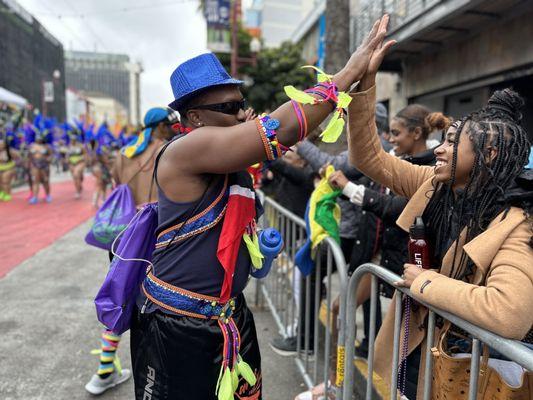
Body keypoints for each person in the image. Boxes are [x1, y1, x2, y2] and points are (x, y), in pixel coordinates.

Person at [129, 18, 389, 400]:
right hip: (178, 326)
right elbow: (279, 131)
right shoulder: (186, 149)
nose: (240, 114)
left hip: (230, 319)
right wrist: (347, 73)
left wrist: (256, 254)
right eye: (229, 105)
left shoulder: (226, 162)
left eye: (241, 104)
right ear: (195, 117)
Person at [347, 18, 533, 399]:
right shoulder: (434, 184)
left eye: (452, 142)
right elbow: (369, 157)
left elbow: (509, 313)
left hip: (470, 367)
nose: (439, 150)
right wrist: (364, 83)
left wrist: (424, 282)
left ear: (490, 154)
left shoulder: (517, 222)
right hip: (419, 343)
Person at [84, 107, 180, 396]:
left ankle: (104, 370)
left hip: (123, 239)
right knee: (158, 307)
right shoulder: (170, 150)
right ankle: (159, 375)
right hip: (155, 239)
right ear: (161, 126)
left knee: (121, 299)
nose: (173, 127)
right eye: (170, 123)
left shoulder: (125, 152)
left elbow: (118, 187)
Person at [28, 126, 53, 204]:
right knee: (35, 181)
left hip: (44, 165)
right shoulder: (31, 146)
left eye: (40, 137)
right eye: (37, 137)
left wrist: (49, 159)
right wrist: (29, 165)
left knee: (45, 181)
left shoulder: (47, 147)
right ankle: (35, 197)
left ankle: (48, 195)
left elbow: (51, 155)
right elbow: (28, 156)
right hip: (35, 165)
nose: (38, 139)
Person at [65, 127, 87, 199]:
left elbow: (85, 154)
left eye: (74, 139)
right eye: (71, 139)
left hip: (80, 163)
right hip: (71, 164)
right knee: (75, 177)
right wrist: (67, 160)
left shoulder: (81, 146)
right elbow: (67, 155)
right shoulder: (69, 146)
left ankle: (78, 191)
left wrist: (82, 159)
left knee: (77, 174)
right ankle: (78, 189)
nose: (72, 141)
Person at [0, 129, 19, 202]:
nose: (0, 146)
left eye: (2, 144)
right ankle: (1, 193)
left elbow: (18, 157)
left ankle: (7, 194)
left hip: (8, 167)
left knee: (5, 181)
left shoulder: (9, 150)